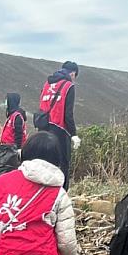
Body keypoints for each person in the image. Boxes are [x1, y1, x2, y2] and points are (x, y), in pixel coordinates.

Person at [39, 61, 79, 190]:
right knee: (63, 163)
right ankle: (62, 194)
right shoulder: (68, 86)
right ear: (72, 73)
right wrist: (73, 134)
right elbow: (68, 114)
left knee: (45, 162)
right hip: (59, 129)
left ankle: (43, 192)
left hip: (43, 128)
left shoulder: (47, 83)